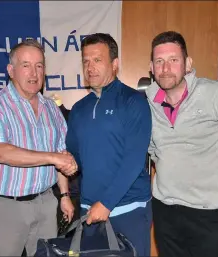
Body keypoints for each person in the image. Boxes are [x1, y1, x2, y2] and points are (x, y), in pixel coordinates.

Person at [0, 38, 76, 257]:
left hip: (46, 203)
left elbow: (60, 154)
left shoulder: (51, 107)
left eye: (39, 66)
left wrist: (65, 195)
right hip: (6, 206)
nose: (34, 73)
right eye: (26, 65)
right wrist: (54, 158)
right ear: (11, 70)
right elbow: (3, 153)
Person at [66, 33, 152, 256]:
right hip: (90, 210)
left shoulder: (133, 102)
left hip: (129, 210)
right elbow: (74, 155)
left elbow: (134, 161)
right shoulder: (78, 109)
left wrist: (106, 203)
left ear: (115, 64)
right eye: (86, 61)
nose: (90, 67)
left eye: (97, 60)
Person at [146, 31, 218, 257]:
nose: (165, 68)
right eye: (159, 61)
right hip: (165, 212)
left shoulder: (215, 94)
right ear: (151, 67)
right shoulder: (148, 105)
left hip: (210, 215)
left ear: (188, 64)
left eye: (173, 60)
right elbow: (153, 152)